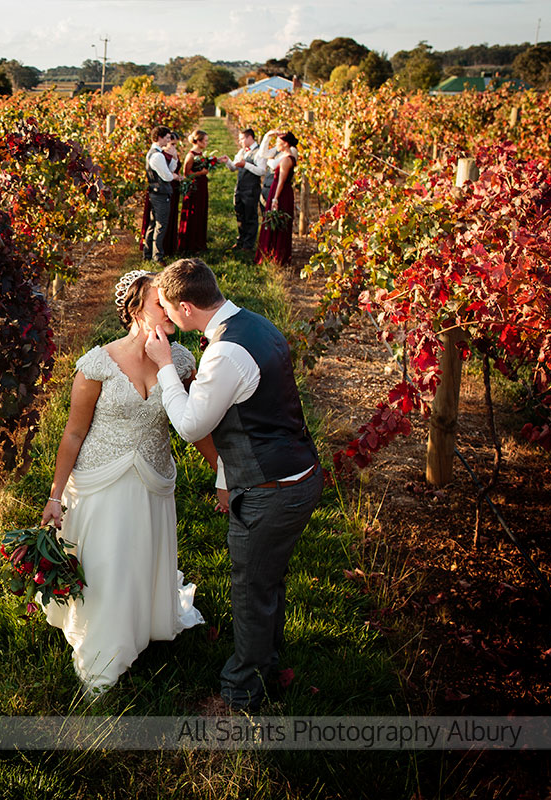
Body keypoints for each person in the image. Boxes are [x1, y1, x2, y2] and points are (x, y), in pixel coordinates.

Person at [144, 258, 323, 712]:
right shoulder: (256, 324)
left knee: (249, 591)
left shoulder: (224, 353)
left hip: (271, 492)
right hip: (297, 475)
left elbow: (190, 424)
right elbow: (249, 418)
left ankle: (240, 693)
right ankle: (270, 662)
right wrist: (226, 478)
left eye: (167, 307)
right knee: (269, 582)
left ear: (185, 307)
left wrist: (166, 365)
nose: (165, 315)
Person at [40, 270, 211, 695]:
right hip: (101, 481)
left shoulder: (181, 361)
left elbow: (197, 424)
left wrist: (223, 473)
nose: (170, 307)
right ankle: (106, 649)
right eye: (160, 302)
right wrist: (55, 496)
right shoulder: (98, 364)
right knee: (110, 563)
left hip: (153, 477)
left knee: (141, 555)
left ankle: (145, 618)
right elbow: (73, 434)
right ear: (136, 308)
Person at [177, 130, 227, 253]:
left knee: (201, 212)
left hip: (202, 186)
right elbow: (186, 174)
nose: (207, 143)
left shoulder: (201, 154)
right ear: (198, 141)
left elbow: (208, 163)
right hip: (194, 187)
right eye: (205, 140)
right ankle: (190, 244)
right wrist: (201, 173)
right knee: (193, 212)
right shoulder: (191, 155)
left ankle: (199, 242)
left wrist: (219, 160)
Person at [255, 131, 299, 267]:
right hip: (279, 190)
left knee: (277, 222)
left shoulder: (286, 159)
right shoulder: (285, 157)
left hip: (280, 192)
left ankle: (276, 256)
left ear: (285, 144)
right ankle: (272, 254)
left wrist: (275, 199)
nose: (276, 145)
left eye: (278, 142)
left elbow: (281, 181)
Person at [225, 128, 269, 252]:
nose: (240, 142)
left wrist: (246, 165)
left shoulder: (259, 152)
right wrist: (227, 161)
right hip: (240, 187)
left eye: (242, 139)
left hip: (251, 188)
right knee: (240, 214)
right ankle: (241, 240)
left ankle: (248, 245)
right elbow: (234, 167)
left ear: (250, 137)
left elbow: (261, 171)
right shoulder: (242, 151)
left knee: (250, 216)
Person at [144, 127, 181, 262]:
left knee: (154, 224)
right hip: (160, 193)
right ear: (159, 137)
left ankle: (148, 254)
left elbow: (169, 169)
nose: (168, 140)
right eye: (166, 137)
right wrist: (175, 177)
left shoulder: (157, 153)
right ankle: (157, 256)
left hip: (157, 192)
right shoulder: (157, 155)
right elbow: (166, 176)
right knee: (161, 225)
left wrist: (175, 158)